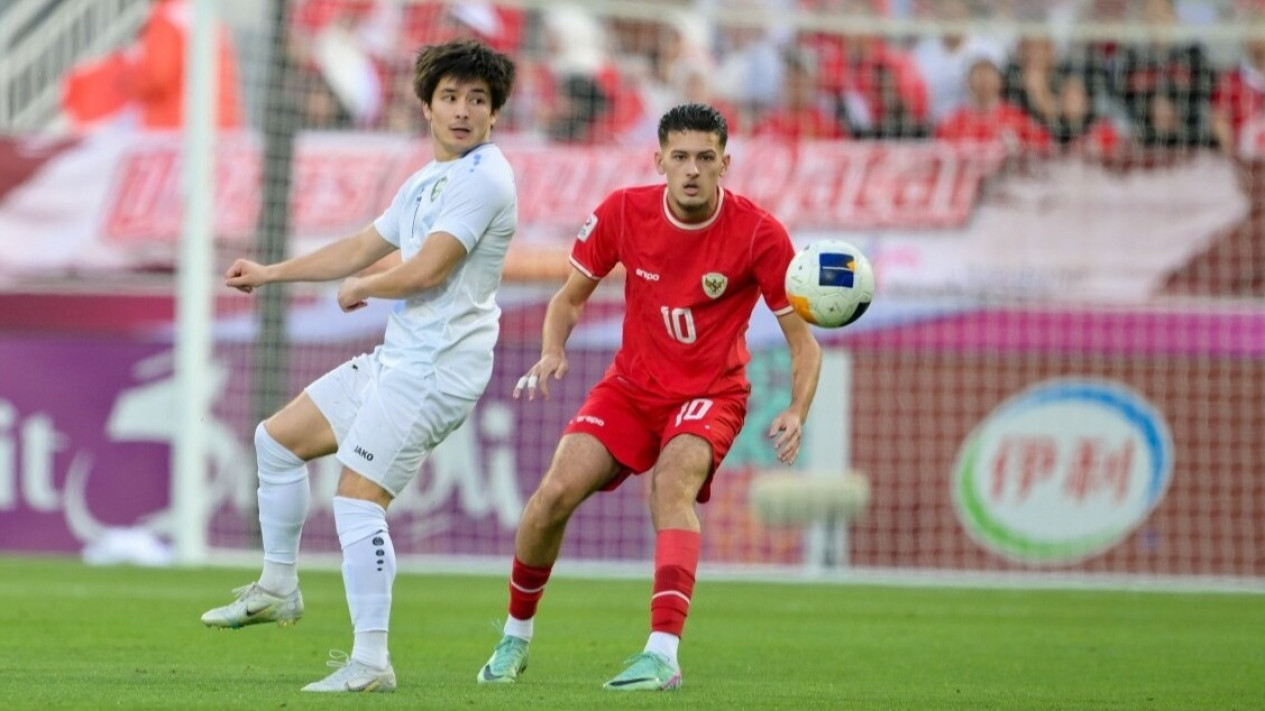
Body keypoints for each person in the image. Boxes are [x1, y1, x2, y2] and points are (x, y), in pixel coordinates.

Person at [199, 38, 517, 693]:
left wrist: (364, 287)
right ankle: (279, 585)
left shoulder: (486, 176)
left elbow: (428, 267)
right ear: (426, 106)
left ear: (494, 116)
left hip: (435, 370)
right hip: (400, 357)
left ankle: (371, 661)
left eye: (477, 100)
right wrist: (271, 273)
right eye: (451, 97)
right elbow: (358, 246)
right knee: (277, 439)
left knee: (357, 499)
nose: (463, 110)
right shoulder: (426, 180)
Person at [476, 103, 823, 691]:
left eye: (705, 159)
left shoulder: (760, 233)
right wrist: (553, 349)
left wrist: (796, 409)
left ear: (725, 164)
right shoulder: (623, 211)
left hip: (711, 393)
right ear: (659, 158)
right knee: (554, 493)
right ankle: (514, 637)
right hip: (633, 387)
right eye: (680, 157)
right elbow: (568, 299)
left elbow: (802, 342)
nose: (692, 170)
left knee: (671, 484)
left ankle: (662, 654)